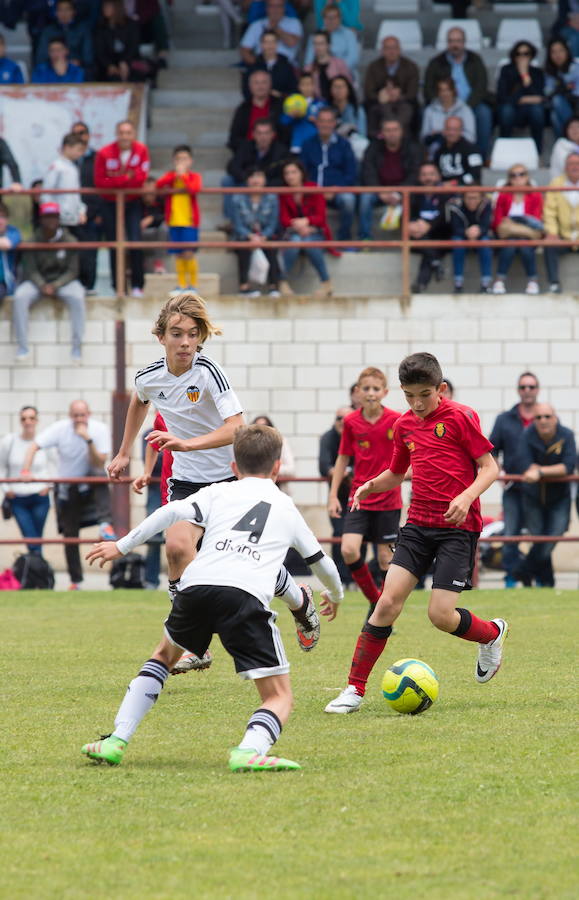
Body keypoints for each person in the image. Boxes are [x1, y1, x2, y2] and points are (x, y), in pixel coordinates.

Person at [81, 423, 343, 771]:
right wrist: (335, 594)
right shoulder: (286, 507)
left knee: (162, 656)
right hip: (244, 597)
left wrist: (121, 545)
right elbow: (321, 563)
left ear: (233, 467)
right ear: (277, 467)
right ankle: (249, 750)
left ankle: (116, 739)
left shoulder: (218, 492)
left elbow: (168, 513)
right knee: (279, 696)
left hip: (196, 586)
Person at [107, 292, 314, 671]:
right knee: (175, 550)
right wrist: (123, 452)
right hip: (186, 481)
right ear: (161, 337)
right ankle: (194, 644)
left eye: (192, 334)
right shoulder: (149, 377)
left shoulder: (208, 372)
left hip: (229, 478)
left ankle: (300, 599)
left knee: (243, 560)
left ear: (200, 337)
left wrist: (187, 443)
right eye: (176, 334)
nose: (185, 342)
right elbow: (139, 401)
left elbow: (237, 427)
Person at [325, 352, 507, 715]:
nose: (418, 403)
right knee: (387, 603)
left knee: (440, 616)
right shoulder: (405, 425)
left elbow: (490, 468)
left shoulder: (461, 416)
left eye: (425, 394)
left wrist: (467, 495)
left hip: (458, 529)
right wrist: (368, 485)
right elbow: (396, 471)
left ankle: (492, 634)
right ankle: (354, 690)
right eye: (410, 395)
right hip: (418, 526)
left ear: (440, 388)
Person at [328, 367, 402, 612]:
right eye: (366, 389)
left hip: (388, 499)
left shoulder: (396, 420)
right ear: (358, 392)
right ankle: (374, 599)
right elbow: (342, 459)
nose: (371, 393)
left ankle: (384, 609)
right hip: (359, 497)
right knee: (348, 549)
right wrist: (332, 496)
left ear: (385, 392)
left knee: (385, 558)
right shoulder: (351, 421)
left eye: (376, 389)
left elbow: (407, 456)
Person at [21, 399, 115, 590]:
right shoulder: (60, 429)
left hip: (91, 485)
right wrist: (25, 471)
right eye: (75, 415)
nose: (79, 419)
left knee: (99, 474)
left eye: (83, 415)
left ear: (89, 414)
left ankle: (105, 523)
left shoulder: (99, 429)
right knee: (70, 536)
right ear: (70, 416)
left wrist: (87, 439)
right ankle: (76, 581)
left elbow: (99, 462)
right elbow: (34, 446)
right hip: (69, 488)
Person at [12, 202, 85, 362]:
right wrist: (42, 285)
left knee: (78, 296)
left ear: (59, 219)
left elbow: (73, 271)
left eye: (54, 216)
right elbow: (30, 270)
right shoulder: (32, 240)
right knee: (20, 297)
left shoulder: (69, 240)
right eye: (47, 217)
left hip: (62, 283)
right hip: (38, 283)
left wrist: (56, 285)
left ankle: (76, 349)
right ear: (41, 219)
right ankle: (23, 348)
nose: (51, 220)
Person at [515, 404, 576, 587]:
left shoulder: (567, 435)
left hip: (559, 498)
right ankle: (547, 582)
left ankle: (523, 569)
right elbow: (524, 464)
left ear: (555, 418)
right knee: (539, 538)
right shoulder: (527, 435)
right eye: (539, 417)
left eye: (547, 416)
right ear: (534, 420)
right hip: (532, 497)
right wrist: (548, 470)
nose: (543, 421)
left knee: (553, 535)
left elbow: (568, 466)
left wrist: (540, 471)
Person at [489, 371, 540, 588]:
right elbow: (491, 450)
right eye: (523, 387)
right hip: (513, 488)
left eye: (531, 387)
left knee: (541, 537)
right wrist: (497, 472)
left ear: (537, 390)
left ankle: (535, 576)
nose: (527, 391)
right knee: (510, 534)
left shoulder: (545, 416)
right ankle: (511, 577)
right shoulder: (504, 419)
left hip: (541, 490)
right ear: (518, 390)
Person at [94, 119, 150, 297]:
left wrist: (117, 180)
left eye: (128, 133)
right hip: (110, 203)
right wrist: (126, 178)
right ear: (117, 134)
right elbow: (100, 181)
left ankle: (137, 286)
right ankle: (117, 287)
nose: (125, 136)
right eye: (121, 133)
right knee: (114, 244)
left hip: (133, 202)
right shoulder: (105, 153)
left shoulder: (141, 150)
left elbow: (141, 178)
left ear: (133, 134)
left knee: (135, 241)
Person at [423, 26, 492, 160]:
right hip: (443, 104)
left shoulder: (475, 60)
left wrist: (464, 107)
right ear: (447, 43)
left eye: (458, 41)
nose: (455, 44)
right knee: (425, 112)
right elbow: (429, 88)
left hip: (471, 104)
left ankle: (481, 157)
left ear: (464, 42)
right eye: (451, 41)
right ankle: (429, 157)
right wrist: (442, 105)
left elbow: (481, 86)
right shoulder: (436, 62)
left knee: (484, 113)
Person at [0, 406, 54, 555]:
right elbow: (2, 467)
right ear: (20, 421)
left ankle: (35, 571)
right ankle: (39, 569)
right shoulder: (9, 441)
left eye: (31, 418)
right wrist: (6, 489)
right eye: (24, 418)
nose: (27, 422)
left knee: (37, 536)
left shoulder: (44, 441)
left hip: (40, 496)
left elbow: (54, 465)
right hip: (17, 498)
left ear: (37, 420)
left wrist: (49, 486)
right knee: (30, 537)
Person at [359, 118, 422, 240]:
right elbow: (367, 172)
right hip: (379, 192)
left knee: (415, 197)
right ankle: (365, 238)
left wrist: (398, 192)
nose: (392, 133)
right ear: (382, 133)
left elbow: (415, 174)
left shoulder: (412, 148)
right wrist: (380, 191)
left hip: (404, 192)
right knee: (365, 198)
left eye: (395, 130)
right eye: (388, 130)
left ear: (401, 131)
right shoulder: (373, 147)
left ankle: (410, 239)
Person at [300, 107, 358, 242]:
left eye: (329, 121)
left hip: (336, 190)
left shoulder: (344, 145)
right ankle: (313, 238)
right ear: (316, 123)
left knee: (349, 200)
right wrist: (313, 189)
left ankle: (344, 239)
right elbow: (302, 172)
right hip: (312, 191)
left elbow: (351, 173)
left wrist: (335, 188)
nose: (325, 125)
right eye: (321, 121)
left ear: (334, 123)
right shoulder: (307, 144)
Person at [279, 158, 333, 297]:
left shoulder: (313, 188)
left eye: (294, 172)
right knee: (295, 242)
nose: (290, 176)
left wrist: (307, 221)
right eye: (287, 173)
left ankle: (326, 283)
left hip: (315, 230)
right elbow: (284, 219)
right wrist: (298, 225)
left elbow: (321, 217)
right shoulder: (283, 192)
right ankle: (282, 282)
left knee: (310, 242)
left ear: (301, 173)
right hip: (293, 231)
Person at [155, 145, 202, 293]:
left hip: (189, 221)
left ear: (191, 161)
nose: (181, 162)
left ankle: (193, 286)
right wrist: (175, 175)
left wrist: (183, 176)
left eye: (185, 159)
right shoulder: (170, 176)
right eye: (178, 159)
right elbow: (158, 185)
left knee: (189, 253)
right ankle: (181, 285)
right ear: (173, 161)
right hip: (174, 220)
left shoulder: (194, 176)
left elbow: (194, 188)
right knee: (178, 253)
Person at [491, 164, 543, 295]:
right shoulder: (503, 195)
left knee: (523, 245)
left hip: (527, 235)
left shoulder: (535, 195)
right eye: (513, 175)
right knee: (511, 243)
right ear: (509, 179)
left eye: (521, 174)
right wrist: (522, 222)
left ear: (527, 177)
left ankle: (530, 282)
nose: (517, 178)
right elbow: (497, 221)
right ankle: (502, 281)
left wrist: (512, 222)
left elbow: (536, 220)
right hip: (509, 235)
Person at [223, 116, 288, 222]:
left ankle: (273, 226)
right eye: (259, 133)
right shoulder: (246, 146)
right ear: (253, 134)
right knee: (227, 180)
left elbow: (283, 176)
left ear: (273, 134)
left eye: (266, 133)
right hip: (247, 184)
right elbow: (232, 166)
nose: (263, 137)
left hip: (269, 187)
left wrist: (263, 183)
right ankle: (232, 221)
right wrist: (248, 179)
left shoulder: (281, 151)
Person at [230, 167, 281, 297]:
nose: (256, 180)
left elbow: (272, 224)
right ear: (247, 180)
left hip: (265, 235)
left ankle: (273, 286)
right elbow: (237, 224)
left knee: (271, 245)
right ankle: (244, 285)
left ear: (265, 180)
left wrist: (262, 237)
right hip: (245, 235)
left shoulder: (272, 198)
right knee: (243, 245)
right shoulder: (237, 198)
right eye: (252, 176)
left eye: (259, 176)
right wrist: (250, 236)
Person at [319, 406, 353, 585]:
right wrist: (343, 472)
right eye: (339, 418)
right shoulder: (328, 438)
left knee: (356, 537)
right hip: (337, 496)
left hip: (358, 495)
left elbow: (365, 464)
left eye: (346, 419)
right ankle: (340, 577)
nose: (342, 422)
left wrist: (348, 471)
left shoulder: (358, 435)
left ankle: (354, 578)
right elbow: (324, 467)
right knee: (339, 534)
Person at [363, 35, 419, 138]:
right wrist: (382, 96)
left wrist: (399, 96)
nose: (391, 51)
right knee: (372, 109)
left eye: (394, 48)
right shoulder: (373, 67)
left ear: (399, 50)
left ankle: (403, 138)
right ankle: (378, 137)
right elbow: (369, 92)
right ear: (382, 51)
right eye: (388, 48)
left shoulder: (410, 66)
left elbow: (412, 92)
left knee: (410, 109)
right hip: (380, 103)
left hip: (404, 103)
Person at [408, 161, 450, 294]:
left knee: (430, 248)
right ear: (419, 177)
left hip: (439, 236)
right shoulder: (413, 194)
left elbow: (446, 218)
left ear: (438, 176)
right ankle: (436, 264)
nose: (428, 178)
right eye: (424, 175)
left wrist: (429, 225)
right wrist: (413, 224)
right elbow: (407, 216)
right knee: (426, 244)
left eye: (432, 174)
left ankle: (421, 284)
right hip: (418, 236)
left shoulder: (446, 194)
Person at [70, 121, 102, 294]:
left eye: (82, 132)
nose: (79, 136)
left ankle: (89, 286)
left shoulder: (97, 158)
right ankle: (74, 285)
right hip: (72, 214)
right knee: (73, 251)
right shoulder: (69, 161)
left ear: (88, 135)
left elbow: (101, 186)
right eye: (75, 133)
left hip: (92, 213)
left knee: (90, 251)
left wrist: (97, 212)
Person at [496, 41, 546, 154]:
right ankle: (503, 150)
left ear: (531, 55)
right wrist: (522, 99)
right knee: (506, 111)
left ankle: (537, 153)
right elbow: (502, 96)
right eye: (519, 54)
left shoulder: (537, 72)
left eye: (526, 53)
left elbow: (540, 97)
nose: (522, 57)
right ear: (514, 55)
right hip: (510, 109)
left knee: (537, 111)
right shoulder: (506, 70)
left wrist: (525, 76)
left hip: (529, 110)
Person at [543, 151, 579, 293]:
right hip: (563, 236)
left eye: (577, 163)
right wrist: (552, 233)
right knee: (549, 246)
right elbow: (549, 212)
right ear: (565, 167)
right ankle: (554, 284)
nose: (575, 167)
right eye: (571, 164)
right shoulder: (556, 183)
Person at [227, 71, 285, 155]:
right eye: (256, 83)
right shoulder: (243, 109)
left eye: (264, 82)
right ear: (250, 86)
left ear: (270, 85)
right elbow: (234, 138)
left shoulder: (280, 106)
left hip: (276, 153)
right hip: (248, 153)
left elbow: (285, 134)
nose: (260, 86)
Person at [448, 188, 492, 294]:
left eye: (475, 198)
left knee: (485, 243)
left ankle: (485, 284)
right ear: (463, 198)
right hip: (462, 235)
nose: (472, 201)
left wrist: (478, 231)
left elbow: (486, 225)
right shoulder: (455, 205)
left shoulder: (487, 204)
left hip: (481, 235)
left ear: (481, 198)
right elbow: (454, 227)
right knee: (457, 243)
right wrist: (467, 232)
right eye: (469, 198)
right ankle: (458, 284)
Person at [421, 77, 476, 158]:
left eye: (447, 90)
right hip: (436, 150)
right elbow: (424, 137)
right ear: (437, 92)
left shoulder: (465, 110)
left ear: (453, 90)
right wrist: (437, 134)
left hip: (460, 150)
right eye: (441, 90)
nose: (444, 93)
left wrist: (450, 134)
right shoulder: (430, 110)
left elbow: (471, 137)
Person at [42, 133, 87, 230]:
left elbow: (76, 194)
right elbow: (47, 192)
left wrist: (81, 211)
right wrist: (52, 214)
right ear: (67, 147)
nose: (80, 153)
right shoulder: (57, 166)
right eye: (78, 149)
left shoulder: (73, 167)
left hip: (73, 218)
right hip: (59, 218)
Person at [35, 0, 93, 73]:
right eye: (60, 10)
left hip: (77, 70)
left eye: (67, 9)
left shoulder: (83, 30)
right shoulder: (48, 31)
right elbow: (41, 57)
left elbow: (88, 57)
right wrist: (54, 63)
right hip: (52, 70)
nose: (64, 13)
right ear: (56, 13)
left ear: (73, 12)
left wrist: (78, 62)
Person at [240, 0, 303, 66]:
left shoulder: (294, 23)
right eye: (272, 6)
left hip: (286, 65)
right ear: (266, 8)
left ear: (284, 8)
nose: (275, 9)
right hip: (262, 64)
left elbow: (292, 43)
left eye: (279, 6)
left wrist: (275, 27)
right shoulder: (256, 25)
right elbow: (244, 50)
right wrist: (257, 64)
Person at [242, 28, 298, 100]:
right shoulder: (253, 67)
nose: (270, 46)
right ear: (261, 45)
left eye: (273, 42)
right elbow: (246, 91)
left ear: (277, 44)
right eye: (266, 42)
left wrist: (280, 95)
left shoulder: (286, 66)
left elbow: (294, 91)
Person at [93, 0, 141, 82]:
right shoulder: (100, 26)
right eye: (104, 6)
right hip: (108, 65)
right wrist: (109, 65)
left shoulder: (131, 25)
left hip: (128, 62)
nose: (105, 9)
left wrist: (124, 61)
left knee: (134, 74)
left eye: (108, 6)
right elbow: (99, 50)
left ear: (117, 7)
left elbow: (133, 47)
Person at [304, 4, 359, 75]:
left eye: (334, 17)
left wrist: (337, 71)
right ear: (323, 19)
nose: (331, 20)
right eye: (328, 17)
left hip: (343, 74)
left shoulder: (349, 34)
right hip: (320, 73)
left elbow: (353, 58)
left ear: (340, 18)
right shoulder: (315, 36)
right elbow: (309, 60)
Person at [281, 72, 326, 153]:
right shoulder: (292, 101)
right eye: (303, 84)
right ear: (299, 86)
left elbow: (327, 121)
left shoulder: (321, 103)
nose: (307, 87)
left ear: (314, 86)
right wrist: (292, 116)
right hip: (298, 145)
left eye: (309, 84)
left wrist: (316, 120)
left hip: (317, 144)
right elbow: (283, 121)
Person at [304, 29, 354, 102]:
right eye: (315, 44)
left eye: (321, 44)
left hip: (337, 104)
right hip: (316, 106)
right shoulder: (308, 68)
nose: (317, 47)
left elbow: (349, 86)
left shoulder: (340, 64)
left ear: (329, 45)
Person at [543, 38, 579, 138]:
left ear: (567, 51)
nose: (558, 55)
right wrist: (563, 87)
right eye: (553, 52)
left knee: (557, 102)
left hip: (576, 108)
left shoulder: (576, 68)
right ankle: (568, 140)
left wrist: (561, 88)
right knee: (554, 112)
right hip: (561, 108)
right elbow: (547, 93)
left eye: (561, 50)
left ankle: (572, 135)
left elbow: (577, 94)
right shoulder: (548, 73)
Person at [433, 116, 482, 186]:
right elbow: (436, 172)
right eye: (448, 129)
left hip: (465, 189)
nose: (451, 133)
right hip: (443, 190)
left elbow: (475, 174)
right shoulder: (439, 150)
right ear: (443, 131)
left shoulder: (472, 149)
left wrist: (454, 183)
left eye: (455, 129)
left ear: (461, 131)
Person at [0, 201, 21, 302]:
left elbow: (6, 244)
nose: (0, 221)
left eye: (3, 217)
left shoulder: (13, 231)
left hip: (4, 282)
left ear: (7, 219)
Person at [549, 115, 579, 180]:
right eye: (571, 127)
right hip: (562, 185)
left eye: (577, 127)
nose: (575, 130)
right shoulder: (561, 145)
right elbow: (569, 168)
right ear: (566, 130)